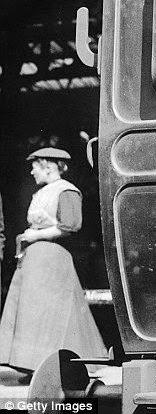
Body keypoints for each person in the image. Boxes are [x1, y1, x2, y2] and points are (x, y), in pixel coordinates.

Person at [0, 147, 107, 372]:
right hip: (35, 259)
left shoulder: (66, 190)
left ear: (48, 166)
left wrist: (36, 234)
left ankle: (53, 366)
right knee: (34, 312)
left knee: (49, 313)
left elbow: (71, 225)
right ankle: (31, 364)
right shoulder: (41, 192)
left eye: (35, 167)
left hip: (52, 258)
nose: (32, 172)